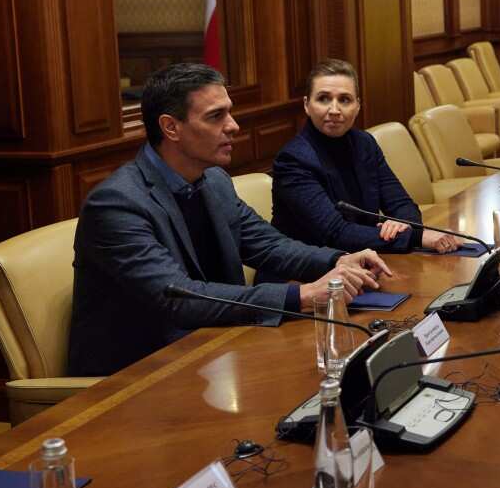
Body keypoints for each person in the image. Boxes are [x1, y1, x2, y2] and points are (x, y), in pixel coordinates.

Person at [68, 63, 390, 377]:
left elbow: (270, 246)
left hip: (216, 350)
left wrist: (339, 260)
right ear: (171, 127)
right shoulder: (116, 204)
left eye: (229, 112)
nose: (234, 125)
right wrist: (301, 296)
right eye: (215, 116)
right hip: (138, 375)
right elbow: (180, 298)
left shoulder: (214, 181)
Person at [269, 58, 460, 257]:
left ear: (358, 106)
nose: (334, 110)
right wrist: (415, 237)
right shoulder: (293, 160)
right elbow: (334, 233)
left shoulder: (364, 143)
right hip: (302, 274)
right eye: (324, 98)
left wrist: (402, 225)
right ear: (307, 105)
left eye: (344, 100)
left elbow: (402, 204)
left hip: (361, 260)